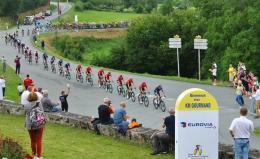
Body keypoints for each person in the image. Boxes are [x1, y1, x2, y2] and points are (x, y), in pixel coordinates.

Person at [24, 92, 45, 159]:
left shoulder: (26, 105)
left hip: (30, 124)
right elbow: (42, 113)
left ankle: (34, 155)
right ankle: (38, 156)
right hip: (39, 124)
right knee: (39, 140)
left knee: (32, 140)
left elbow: (26, 114)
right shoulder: (39, 104)